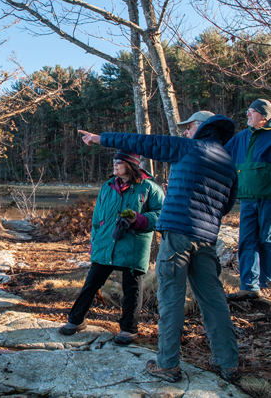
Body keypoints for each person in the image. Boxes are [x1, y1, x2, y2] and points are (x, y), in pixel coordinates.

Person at [78, 114, 239, 384]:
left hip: (177, 235)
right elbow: (227, 204)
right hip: (207, 238)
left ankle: (166, 364)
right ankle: (228, 363)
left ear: (200, 127)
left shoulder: (191, 147)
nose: (186, 132)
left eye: (188, 128)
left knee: (171, 298)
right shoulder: (228, 163)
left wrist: (100, 138)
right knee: (214, 300)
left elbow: (143, 143)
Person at [59, 150, 164, 345]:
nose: (114, 164)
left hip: (134, 244)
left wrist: (139, 219)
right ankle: (76, 320)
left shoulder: (149, 188)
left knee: (132, 289)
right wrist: (93, 242)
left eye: (119, 161)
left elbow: (161, 215)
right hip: (105, 243)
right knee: (91, 283)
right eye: (114, 161)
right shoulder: (107, 187)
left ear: (131, 164)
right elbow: (96, 218)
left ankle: (129, 329)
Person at [224, 98, 271, 301]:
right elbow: (221, 155)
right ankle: (248, 286)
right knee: (247, 241)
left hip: (269, 198)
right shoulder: (241, 138)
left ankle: (266, 284)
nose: (247, 115)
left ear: (264, 116)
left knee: (267, 240)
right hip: (247, 199)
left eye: (252, 111)